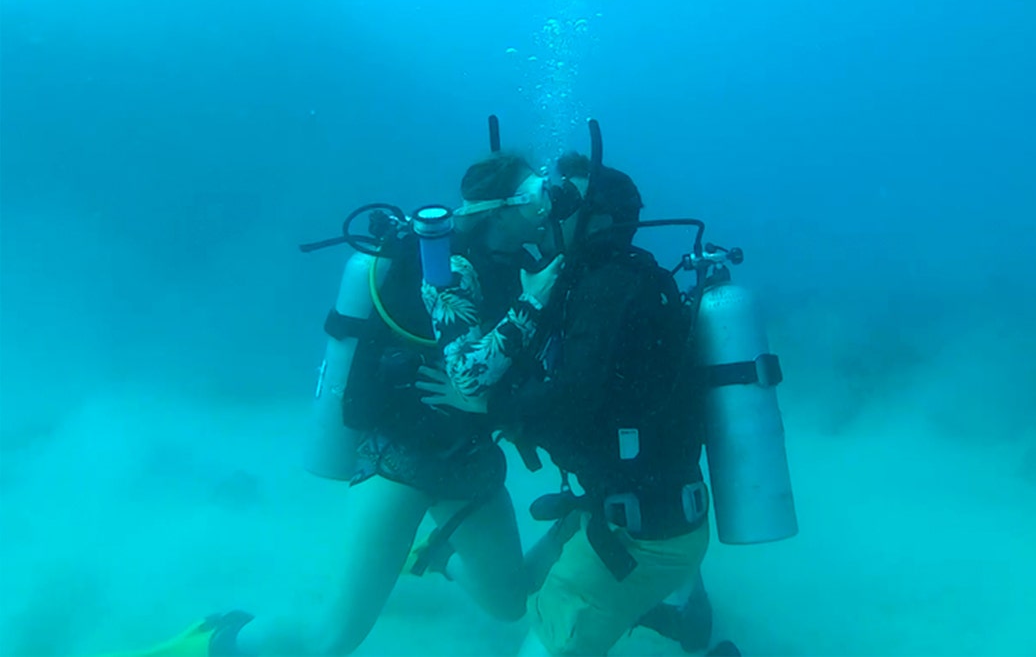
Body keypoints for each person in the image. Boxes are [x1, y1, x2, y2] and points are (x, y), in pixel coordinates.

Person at [98, 153, 561, 657]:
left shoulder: (519, 264)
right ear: (500, 209)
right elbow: (469, 376)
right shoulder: (444, 263)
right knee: (332, 638)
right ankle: (215, 638)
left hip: (469, 461)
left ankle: (438, 553)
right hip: (403, 460)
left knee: (510, 603)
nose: (548, 207)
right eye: (537, 195)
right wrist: (532, 301)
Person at [415, 146, 718, 657]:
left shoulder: (606, 289)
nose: (549, 210)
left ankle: (650, 602)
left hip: (643, 531)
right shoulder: (609, 280)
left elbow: (571, 400)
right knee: (521, 591)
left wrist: (489, 410)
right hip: (640, 511)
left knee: (544, 639)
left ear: (595, 216)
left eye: (563, 200)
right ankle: (671, 609)